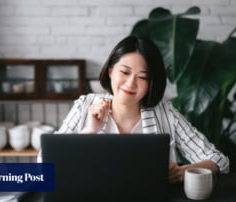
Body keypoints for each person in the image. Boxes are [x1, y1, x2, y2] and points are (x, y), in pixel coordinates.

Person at [43, 35, 230, 183]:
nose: (130, 84)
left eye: (142, 77)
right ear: (110, 71)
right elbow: (45, 162)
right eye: (124, 72)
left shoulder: (165, 113)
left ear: (150, 83)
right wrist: (89, 130)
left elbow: (219, 160)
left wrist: (183, 172)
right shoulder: (85, 106)